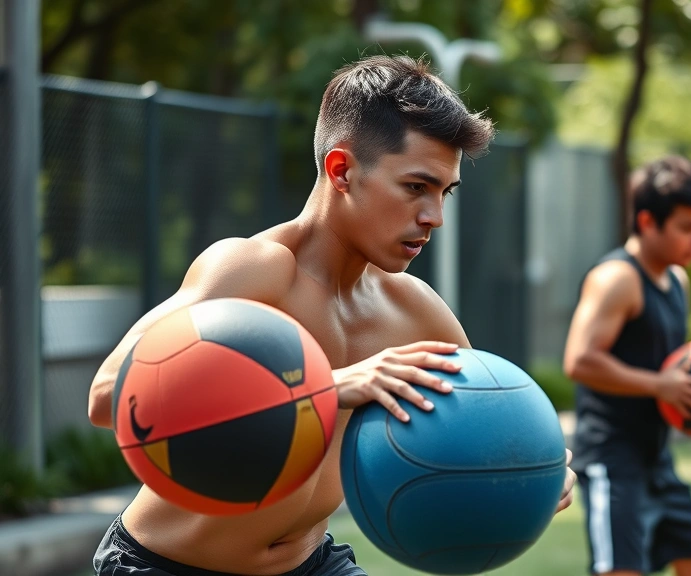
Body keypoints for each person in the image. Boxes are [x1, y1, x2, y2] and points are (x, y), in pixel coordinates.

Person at [87, 54, 576, 576]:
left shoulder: (413, 308)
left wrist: (538, 472)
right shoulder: (255, 269)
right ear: (342, 170)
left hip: (313, 565)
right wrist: (324, 387)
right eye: (416, 187)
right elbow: (108, 395)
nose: (434, 217)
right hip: (167, 566)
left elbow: (488, 426)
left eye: (444, 192)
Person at [563, 155, 691, 576]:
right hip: (612, 456)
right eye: (688, 228)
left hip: (656, 455)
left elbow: (673, 368)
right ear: (648, 221)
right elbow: (579, 360)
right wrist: (659, 386)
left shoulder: (677, 280)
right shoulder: (617, 278)